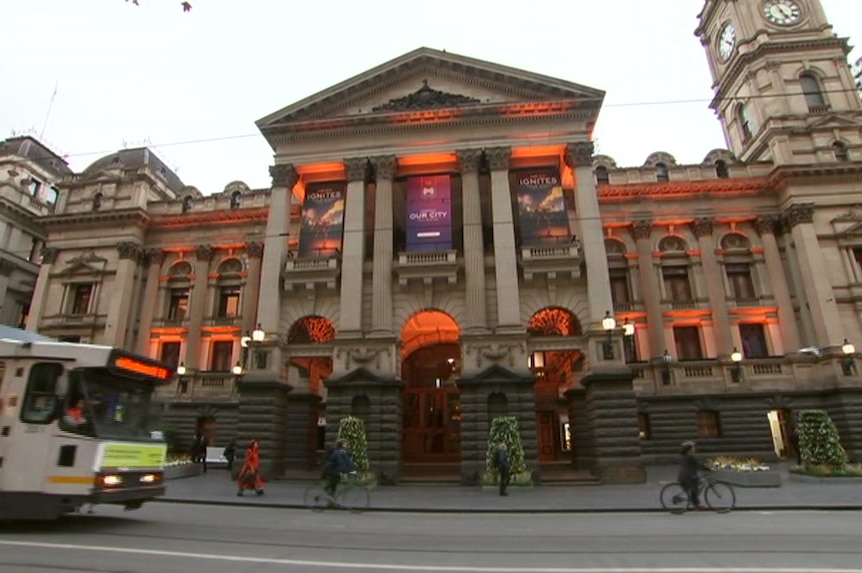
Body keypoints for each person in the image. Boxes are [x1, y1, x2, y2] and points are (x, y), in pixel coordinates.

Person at [678, 440, 712, 510]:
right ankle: (696, 505)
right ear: (689, 448)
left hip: (684, 476)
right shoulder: (690, 457)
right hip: (688, 477)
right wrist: (709, 469)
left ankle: (696, 504)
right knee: (695, 487)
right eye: (693, 447)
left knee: (696, 485)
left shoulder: (684, 455)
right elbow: (698, 465)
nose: (694, 448)